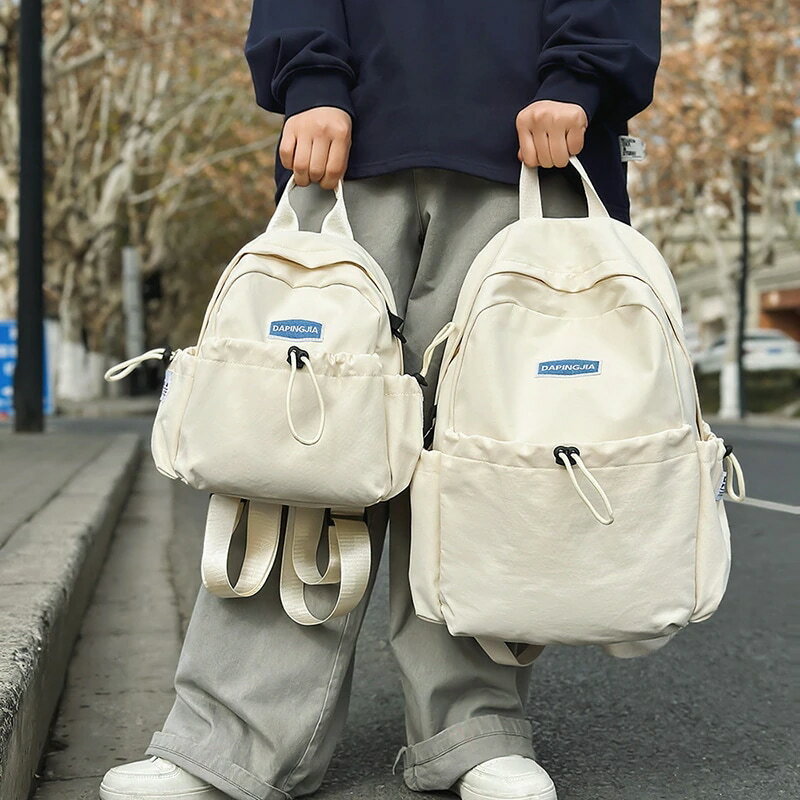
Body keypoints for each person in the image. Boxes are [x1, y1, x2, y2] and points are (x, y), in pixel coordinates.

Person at [100, 2, 660, 799]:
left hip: (534, 148)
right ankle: (228, 739)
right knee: (295, 445)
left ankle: (474, 729)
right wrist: (312, 77)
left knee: (489, 458)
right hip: (349, 145)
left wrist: (581, 74)